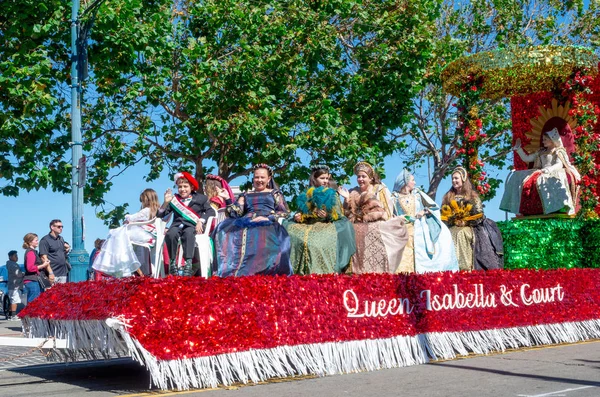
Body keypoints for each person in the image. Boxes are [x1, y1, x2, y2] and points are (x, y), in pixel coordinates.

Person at [212, 164, 293, 277]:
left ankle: (260, 272)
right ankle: (235, 272)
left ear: (268, 179)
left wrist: (268, 218)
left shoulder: (274, 193)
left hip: (267, 221)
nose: (259, 180)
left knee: (262, 235)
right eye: (256, 177)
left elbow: (284, 212)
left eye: (262, 177)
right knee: (227, 231)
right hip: (246, 221)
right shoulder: (245, 194)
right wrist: (228, 199)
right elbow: (236, 213)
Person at [284, 165, 356, 274]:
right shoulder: (306, 194)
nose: (325, 181)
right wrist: (299, 216)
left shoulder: (332, 194)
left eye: (327, 178)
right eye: (322, 178)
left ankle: (321, 272)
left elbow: (338, 215)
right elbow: (301, 211)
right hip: (306, 225)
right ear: (314, 179)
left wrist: (327, 215)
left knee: (315, 242)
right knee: (290, 231)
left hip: (326, 225)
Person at [339, 161, 408, 273]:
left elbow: (387, 211)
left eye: (363, 176)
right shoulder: (352, 191)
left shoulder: (379, 189)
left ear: (370, 178)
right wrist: (347, 200)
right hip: (355, 225)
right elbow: (345, 214)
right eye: (358, 177)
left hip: (376, 223)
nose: (360, 179)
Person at [500, 127, 581, 216]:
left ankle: (555, 207)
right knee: (517, 175)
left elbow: (559, 164)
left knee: (543, 179)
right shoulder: (541, 151)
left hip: (554, 171)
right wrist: (519, 149)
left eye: (545, 139)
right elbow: (527, 158)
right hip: (541, 171)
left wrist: (548, 170)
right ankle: (524, 208)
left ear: (552, 140)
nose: (543, 141)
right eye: (543, 139)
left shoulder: (558, 151)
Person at [391, 169, 459, 273]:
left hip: (419, 228)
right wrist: (397, 218)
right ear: (405, 182)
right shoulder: (394, 198)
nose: (415, 182)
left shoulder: (418, 195)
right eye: (412, 180)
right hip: (402, 229)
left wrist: (424, 211)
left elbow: (434, 207)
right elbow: (389, 214)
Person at [441, 166, 504, 271]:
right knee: (448, 234)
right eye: (452, 178)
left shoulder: (472, 197)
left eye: (456, 178)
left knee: (460, 233)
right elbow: (443, 213)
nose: (454, 181)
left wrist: (464, 221)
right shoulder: (448, 196)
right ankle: (449, 268)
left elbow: (479, 215)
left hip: (471, 227)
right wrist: (452, 220)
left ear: (463, 179)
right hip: (452, 226)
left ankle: (465, 268)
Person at [93, 189, 161, 278]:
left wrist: (127, 219)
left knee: (118, 236)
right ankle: (130, 268)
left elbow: (132, 218)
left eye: (143, 201)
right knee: (120, 236)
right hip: (150, 234)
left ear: (147, 199)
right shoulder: (155, 210)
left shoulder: (146, 210)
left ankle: (121, 265)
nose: (142, 203)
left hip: (145, 235)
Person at [159, 172, 215, 277]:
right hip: (176, 225)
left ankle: (188, 264)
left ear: (192, 187)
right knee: (171, 234)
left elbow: (210, 212)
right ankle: (172, 263)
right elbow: (160, 215)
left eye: (185, 186)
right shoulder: (174, 199)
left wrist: (201, 221)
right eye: (180, 187)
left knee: (188, 234)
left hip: (191, 225)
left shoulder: (201, 198)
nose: (182, 189)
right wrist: (165, 202)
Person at [22, 233, 51, 303]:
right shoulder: (30, 252)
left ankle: (33, 313)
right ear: (30, 242)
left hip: (34, 280)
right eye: (36, 240)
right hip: (32, 280)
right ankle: (30, 314)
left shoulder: (33, 252)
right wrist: (44, 265)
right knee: (34, 302)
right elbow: (30, 268)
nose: (37, 242)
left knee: (37, 301)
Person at [6, 250, 24, 320]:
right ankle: (14, 315)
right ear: (10, 257)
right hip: (15, 286)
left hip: (13, 285)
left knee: (12, 300)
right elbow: (17, 274)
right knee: (15, 300)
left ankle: (10, 315)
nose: (17, 257)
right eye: (15, 256)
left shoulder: (10, 264)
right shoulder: (13, 265)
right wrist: (23, 274)